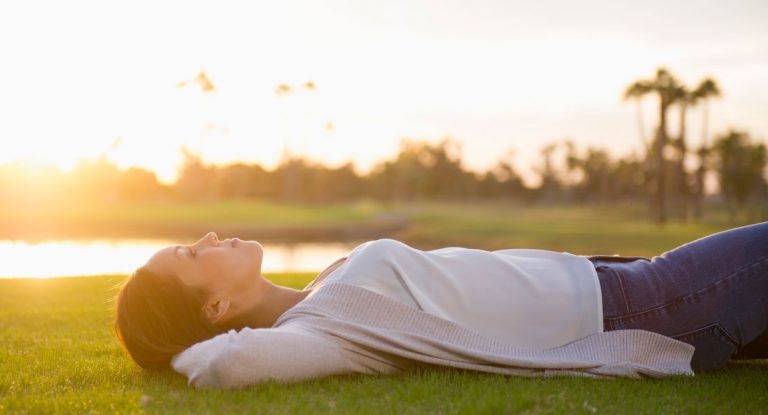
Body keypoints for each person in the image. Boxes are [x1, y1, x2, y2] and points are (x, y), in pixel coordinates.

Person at [114, 222, 768, 388]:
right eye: (192, 257)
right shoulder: (322, 330)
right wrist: (168, 348)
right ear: (217, 306)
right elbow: (224, 366)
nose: (206, 238)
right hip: (648, 307)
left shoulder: (323, 289)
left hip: (614, 277)